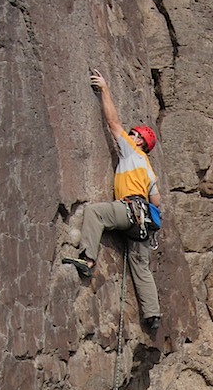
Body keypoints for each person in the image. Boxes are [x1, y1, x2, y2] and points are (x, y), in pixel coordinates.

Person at [63, 70, 162, 331]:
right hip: (141, 222)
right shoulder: (148, 168)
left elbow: (113, 123)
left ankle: (87, 261)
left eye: (134, 134)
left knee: (95, 213)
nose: (130, 136)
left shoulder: (132, 151)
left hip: (127, 210)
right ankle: (152, 315)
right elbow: (157, 200)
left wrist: (105, 89)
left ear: (139, 140)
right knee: (141, 267)